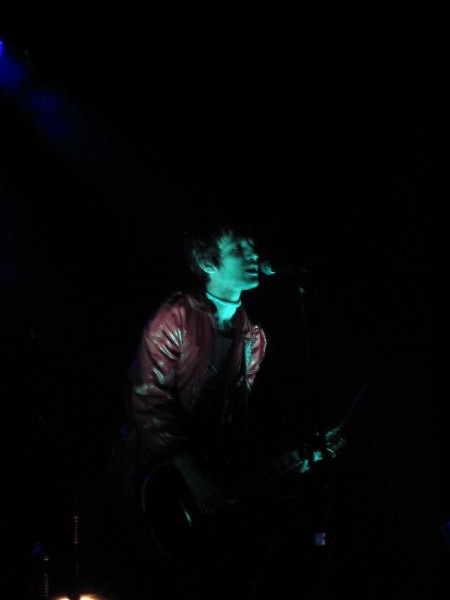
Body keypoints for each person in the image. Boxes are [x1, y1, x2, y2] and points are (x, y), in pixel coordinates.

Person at [106, 220, 344, 599]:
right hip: (149, 481)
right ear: (208, 262)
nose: (254, 255)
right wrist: (192, 476)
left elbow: (233, 427)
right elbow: (148, 404)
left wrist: (291, 461)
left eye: (252, 248)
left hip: (201, 485)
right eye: (239, 249)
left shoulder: (253, 336)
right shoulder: (175, 316)